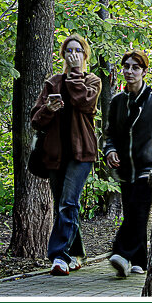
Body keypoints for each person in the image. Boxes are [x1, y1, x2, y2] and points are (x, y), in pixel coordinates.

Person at [30, 34, 102, 276]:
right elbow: (35, 120)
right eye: (69, 50)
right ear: (62, 55)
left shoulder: (92, 81)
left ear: (85, 55)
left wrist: (75, 75)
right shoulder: (53, 83)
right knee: (65, 204)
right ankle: (75, 252)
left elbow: (85, 103)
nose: (74, 55)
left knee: (68, 202)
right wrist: (48, 110)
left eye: (78, 50)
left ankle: (59, 256)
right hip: (55, 155)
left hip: (82, 154)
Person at [102, 48, 152, 278]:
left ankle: (120, 252)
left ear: (144, 71)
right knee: (132, 212)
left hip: (148, 167)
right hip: (124, 169)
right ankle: (140, 261)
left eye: (135, 67)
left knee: (139, 211)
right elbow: (109, 134)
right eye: (127, 67)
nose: (130, 71)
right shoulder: (117, 102)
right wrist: (109, 151)